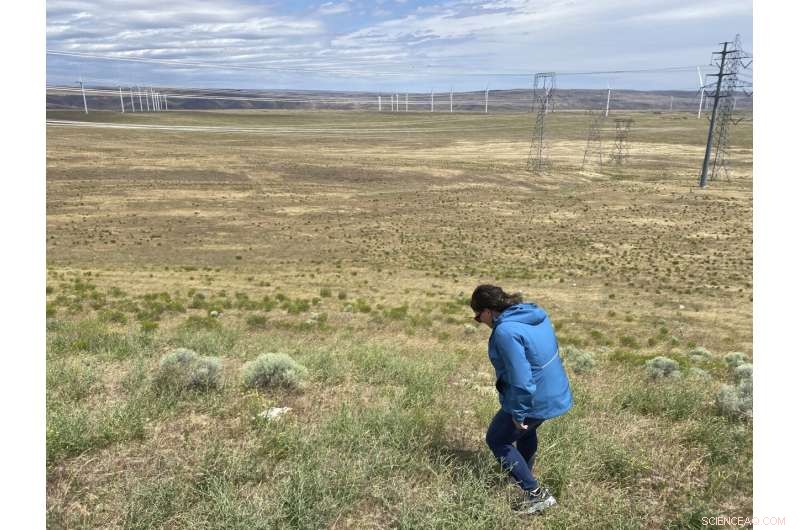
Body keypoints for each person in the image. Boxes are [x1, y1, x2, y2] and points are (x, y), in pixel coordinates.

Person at [470, 284, 573, 515]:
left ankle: (536, 495)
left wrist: (518, 412)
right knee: (526, 432)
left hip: (533, 397)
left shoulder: (505, 331)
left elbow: (521, 378)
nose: (480, 322)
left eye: (478, 317)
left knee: (497, 439)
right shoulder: (533, 314)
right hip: (553, 389)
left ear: (488, 311)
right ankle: (522, 474)